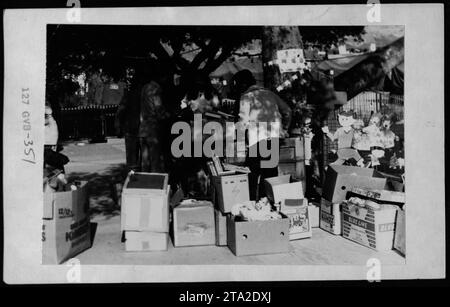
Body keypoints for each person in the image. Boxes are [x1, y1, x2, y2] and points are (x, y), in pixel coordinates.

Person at [232, 69, 292, 200]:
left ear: (242, 84)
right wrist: (285, 129)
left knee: (251, 173)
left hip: (257, 139)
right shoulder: (270, 94)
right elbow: (287, 110)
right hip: (274, 137)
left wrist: (237, 139)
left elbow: (242, 122)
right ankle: (269, 204)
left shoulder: (246, 97)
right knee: (270, 174)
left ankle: (252, 204)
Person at [138, 68, 171, 173]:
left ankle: (144, 185)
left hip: (143, 127)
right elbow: (158, 108)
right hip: (152, 128)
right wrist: (168, 115)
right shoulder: (155, 89)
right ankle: (155, 185)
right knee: (155, 161)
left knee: (144, 162)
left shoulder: (144, 88)